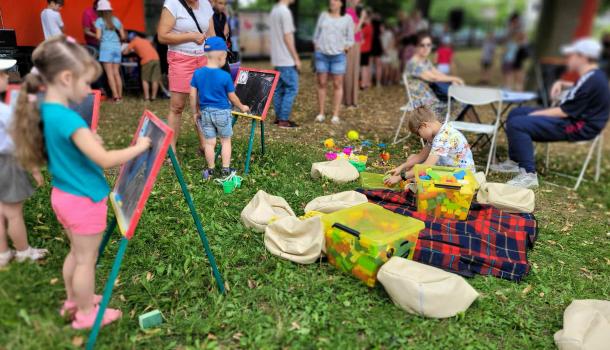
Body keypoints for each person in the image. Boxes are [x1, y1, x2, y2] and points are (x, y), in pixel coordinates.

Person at [12, 36, 152, 329]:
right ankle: (87, 314)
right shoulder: (70, 120)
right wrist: (139, 147)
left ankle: (73, 300)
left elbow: (72, 151)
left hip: (63, 196)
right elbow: (104, 159)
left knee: (75, 253)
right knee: (86, 261)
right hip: (84, 199)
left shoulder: (45, 112)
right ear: (66, 78)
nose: (89, 90)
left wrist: (89, 144)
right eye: (85, 82)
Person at [491, 38, 610, 189]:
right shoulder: (592, 75)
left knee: (518, 123)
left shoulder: (594, 79)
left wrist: (535, 116)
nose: (567, 59)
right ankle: (515, 162)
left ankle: (528, 175)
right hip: (574, 118)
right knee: (516, 112)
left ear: (583, 57)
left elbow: (564, 111)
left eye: (571, 55)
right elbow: (578, 88)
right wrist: (560, 82)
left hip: (581, 126)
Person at [0, 59, 47, 268]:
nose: (7, 77)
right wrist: (34, 168)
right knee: (13, 212)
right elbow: (19, 142)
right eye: (2, 74)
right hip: (8, 164)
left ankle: (2, 253)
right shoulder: (5, 112)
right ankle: (23, 251)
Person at [157, 0, 215, 153]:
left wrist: (216, 56)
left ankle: (205, 146)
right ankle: (170, 151)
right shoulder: (172, 4)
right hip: (181, 58)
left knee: (202, 104)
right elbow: (162, 36)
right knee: (177, 106)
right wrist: (189, 36)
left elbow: (211, 34)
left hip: (203, 59)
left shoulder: (206, 4)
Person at [190, 37, 249, 180]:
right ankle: (225, 169)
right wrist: (241, 106)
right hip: (222, 112)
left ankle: (210, 170)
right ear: (221, 56)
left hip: (205, 113)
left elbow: (192, 95)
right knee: (225, 140)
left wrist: (194, 112)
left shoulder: (197, 73)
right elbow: (232, 97)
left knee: (209, 143)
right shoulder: (224, 76)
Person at [384, 106, 475, 186]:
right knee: (412, 158)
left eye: (418, 134)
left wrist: (401, 177)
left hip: (460, 177)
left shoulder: (443, 138)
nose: (420, 137)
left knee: (421, 175)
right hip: (448, 170)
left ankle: (413, 183)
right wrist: (401, 167)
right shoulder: (438, 131)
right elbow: (421, 156)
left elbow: (427, 165)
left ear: (424, 125)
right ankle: (413, 181)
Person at [404, 32, 464, 119]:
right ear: (416, 46)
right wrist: (456, 78)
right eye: (422, 45)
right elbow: (433, 78)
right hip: (422, 104)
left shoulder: (425, 62)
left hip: (432, 99)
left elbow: (438, 74)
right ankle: (448, 128)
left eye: (428, 45)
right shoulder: (413, 64)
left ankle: (477, 130)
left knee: (462, 101)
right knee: (461, 102)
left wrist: (452, 80)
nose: (426, 48)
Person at [313, 0, 354, 125]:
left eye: (335, 0)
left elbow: (350, 39)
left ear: (342, 3)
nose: (332, 2)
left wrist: (345, 48)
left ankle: (335, 115)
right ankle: (321, 113)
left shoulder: (347, 19)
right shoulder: (323, 16)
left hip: (338, 56)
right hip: (322, 55)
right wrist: (317, 46)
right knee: (322, 83)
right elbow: (316, 35)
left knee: (337, 84)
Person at [269, 0, 301, 129]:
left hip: (277, 58)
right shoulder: (285, 12)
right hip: (286, 59)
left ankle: (279, 118)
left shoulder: (274, 11)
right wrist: (296, 58)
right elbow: (288, 37)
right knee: (291, 88)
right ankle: (283, 120)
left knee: (279, 89)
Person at [95, 0, 125, 103]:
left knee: (110, 74)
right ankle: (120, 97)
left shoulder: (99, 21)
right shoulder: (115, 20)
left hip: (106, 48)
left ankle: (115, 97)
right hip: (117, 47)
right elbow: (123, 36)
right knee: (116, 73)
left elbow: (98, 37)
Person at [123, 33, 162, 101]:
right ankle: (153, 97)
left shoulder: (134, 41)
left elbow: (125, 53)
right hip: (156, 58)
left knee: (144, 79)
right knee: (155, 79)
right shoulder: (145, 40)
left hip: (146, 60)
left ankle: (146, 97)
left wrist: (127, 49)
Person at [343, 0, 365, 107]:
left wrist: (362, 38)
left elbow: (358, 31)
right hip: (351, 45)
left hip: (356, 44)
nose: (358, 1)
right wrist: (362, 19)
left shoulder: (354, 12)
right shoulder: (349, 12)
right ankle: (347, 101)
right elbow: (353, 31)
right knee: (349, 72)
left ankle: (353, 100)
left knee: (354, 72)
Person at [359, 13, 373, 90]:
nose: (363, 20)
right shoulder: (370, 27)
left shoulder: (367, 27)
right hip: (367, 49)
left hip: (364, 50)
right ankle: (367, 82)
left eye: (365, 19)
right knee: (366, 67)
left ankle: (363, 84)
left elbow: (359, 33)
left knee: (363, 67)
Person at [369, 15, 383, 87]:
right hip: (377, 44)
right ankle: (378, 82)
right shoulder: (380, 24)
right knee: (378, 65)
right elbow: (382, 32)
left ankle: (370, 81)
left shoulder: (370, 23)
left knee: (370, 64)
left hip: (371, 43)